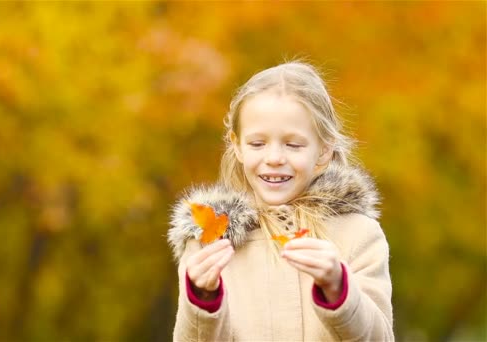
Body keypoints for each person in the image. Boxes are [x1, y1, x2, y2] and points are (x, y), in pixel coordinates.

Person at [167, 61, 394, 341]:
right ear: (237, 146)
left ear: (323, 151)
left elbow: (379, 338)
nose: (274, 158)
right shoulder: (209, 242)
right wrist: (202, 299)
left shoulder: (357, 235)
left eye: (293, 145)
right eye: (257, 144)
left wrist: (339, 290)